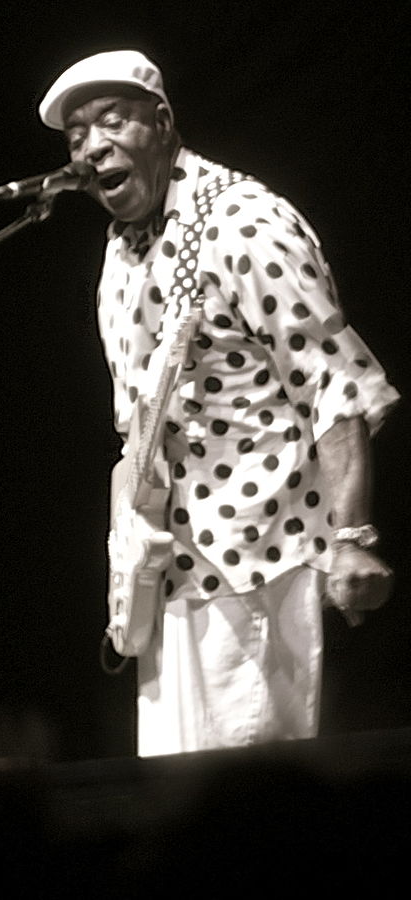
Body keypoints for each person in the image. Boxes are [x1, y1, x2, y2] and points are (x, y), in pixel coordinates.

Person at [38, 50, 399, 756]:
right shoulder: (121, 253)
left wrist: (352, 538)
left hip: (258, 563)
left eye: (113, 121)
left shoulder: (242, 222)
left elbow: (334, 384)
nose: (92, 146)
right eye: (77, 135)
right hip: (169, 577)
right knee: (177, 813)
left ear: (164, 122)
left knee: (248, 818)